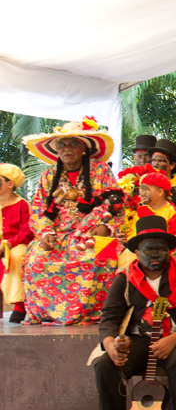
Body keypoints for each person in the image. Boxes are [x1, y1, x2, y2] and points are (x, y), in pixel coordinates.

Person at [89, 215, 176, 410]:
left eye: (161, 250)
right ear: (137, 251)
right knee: (104, 366)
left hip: (175, 337)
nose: (155, 255)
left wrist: (175, 338)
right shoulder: (125, 279)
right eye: (149, 250)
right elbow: (109, 317)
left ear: (169, 251)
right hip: (137, 339)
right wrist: (110, 345)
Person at [22, 118, 123, 324]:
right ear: (56, 150)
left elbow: (115, 200)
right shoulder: (48, 176)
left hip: (95, 231)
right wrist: (46, 233)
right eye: (62, 144)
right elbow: (39, 210)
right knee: (34, 261)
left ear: (84, 148)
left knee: (104, 259)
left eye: (73, 144)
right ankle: (49, 314)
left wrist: (104, 225)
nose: (67, 148)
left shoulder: (101, 170)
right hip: (58, 236)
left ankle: (98, 314)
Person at [0, 165, 33, 323]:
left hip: (15, 243)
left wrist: (9, 244)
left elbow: (27, 230)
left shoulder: (22, 204)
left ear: (10, 184)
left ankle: (19, 305)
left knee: (16, 257)